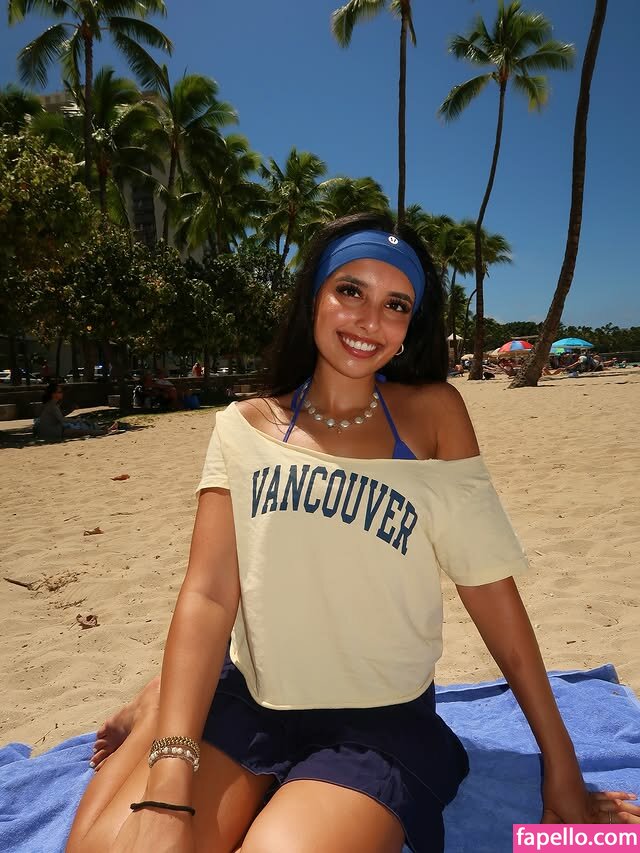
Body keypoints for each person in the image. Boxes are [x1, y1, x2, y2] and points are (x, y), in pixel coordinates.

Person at [66, 213, 635, 853]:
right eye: (350, 290)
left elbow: (488, 587)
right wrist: (170, 778)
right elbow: (209, 594)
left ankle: (161, 700)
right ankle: (162, 703)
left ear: (411, 324)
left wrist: (560, 762)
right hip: (251, 698)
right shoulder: (242, 427)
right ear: (315, 295)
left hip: (376, 723)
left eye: (396, 304)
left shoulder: (433, 417)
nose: (369, 320)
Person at [36, 382, 118, 441]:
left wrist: (71, 411)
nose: (62, 394)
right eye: (60, 392)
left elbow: (59, 416)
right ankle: (106, 431)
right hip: (51, 431)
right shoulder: (52, 405)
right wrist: (76, 421)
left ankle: (105, 429)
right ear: (53, 394)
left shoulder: (52, 404)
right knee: (82, 431)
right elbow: (62, 419)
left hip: (50, 429)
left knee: (80, 428)